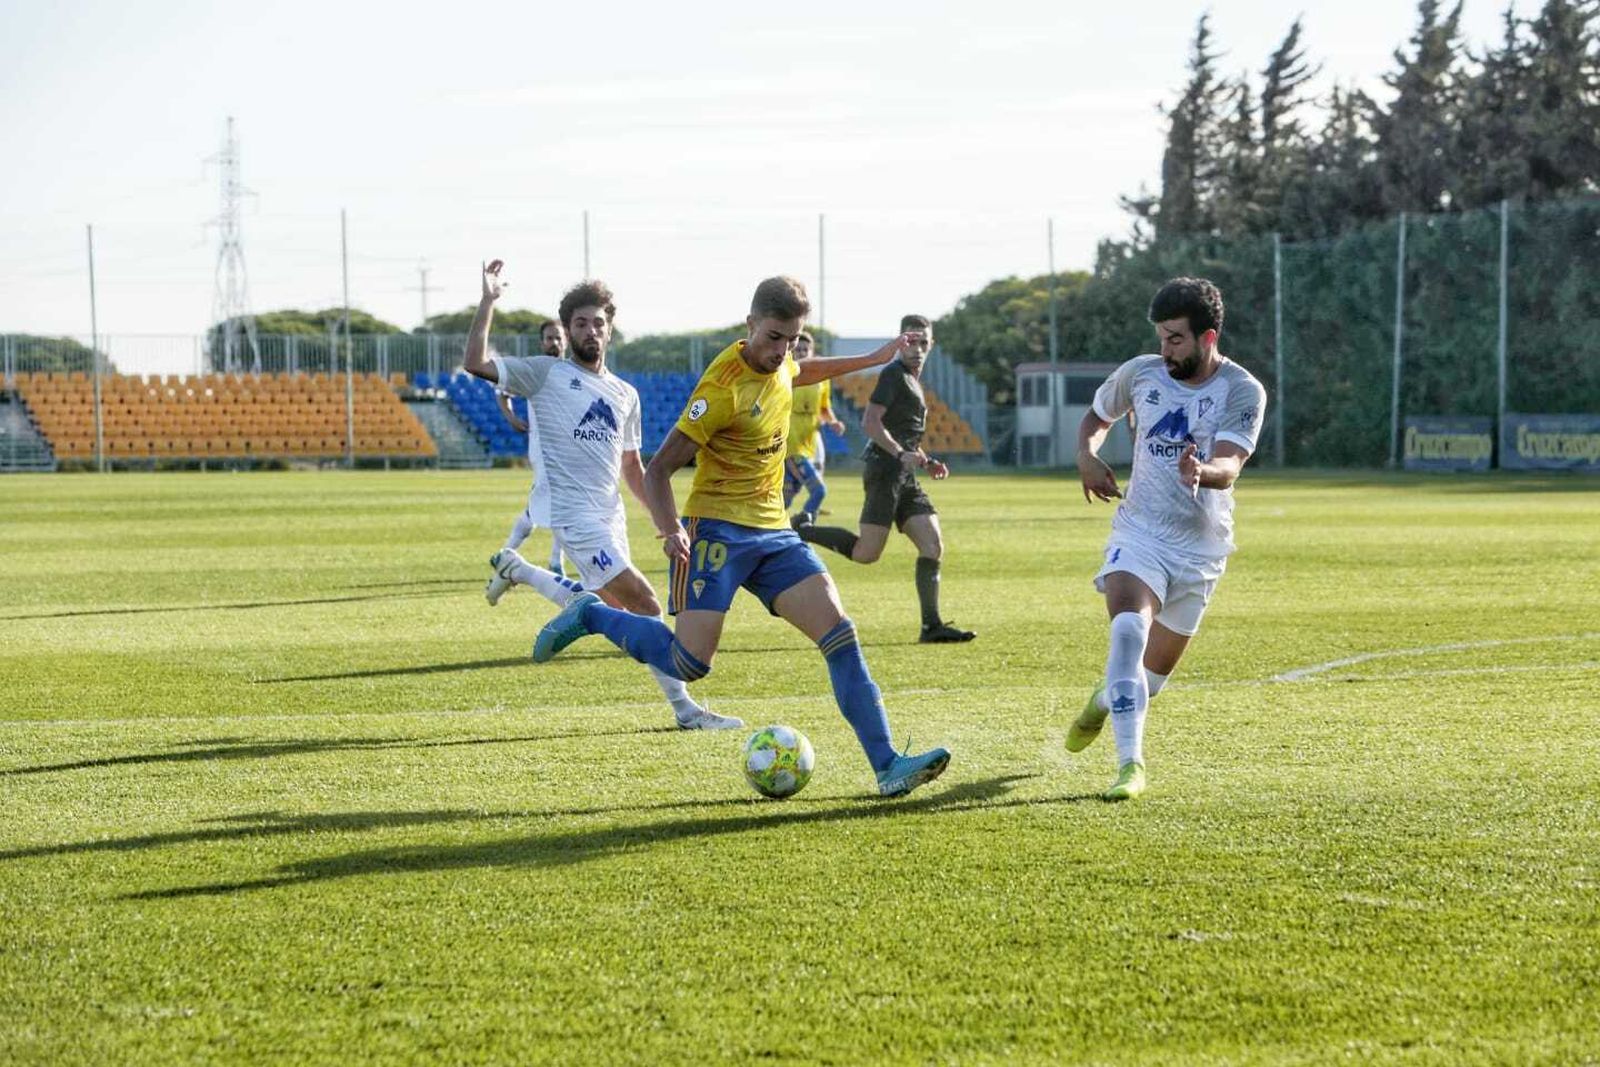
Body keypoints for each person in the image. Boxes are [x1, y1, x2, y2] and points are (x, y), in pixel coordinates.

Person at [532, 276, 952, 798]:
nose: (782, 351)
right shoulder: (721, 389)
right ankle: (592, 613)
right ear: (750, 324)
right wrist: (669, 531)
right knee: (690, 663)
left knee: (840, 634)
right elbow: (660, 469)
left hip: (774, 531)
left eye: (793, 338)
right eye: (773, 337)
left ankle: (888, 765)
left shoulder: (784, 359)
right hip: (715, 532)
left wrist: (873, 357)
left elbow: (800, 371)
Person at [464, 260, 741, 731]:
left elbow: (632, 468)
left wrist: (663, 525)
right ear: (567, 330)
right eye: (580, 323)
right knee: (647, 606)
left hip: (609, 516)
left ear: (610, 328)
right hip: (574, 516)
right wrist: (488, 301)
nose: (590, 330)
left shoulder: (624, 393)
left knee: (613, 611)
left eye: (598, 323)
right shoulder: (544, 374)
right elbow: (474, 363)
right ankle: (687, 711)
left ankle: (520, 569)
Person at [1068, 277, 1266, 800]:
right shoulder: (1142, 373)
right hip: (1141, 533)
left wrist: (1205, 471)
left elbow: (1231, 463)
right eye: (1161, 337)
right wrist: (1088, 456)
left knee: (1146, 683)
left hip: (1201, 548)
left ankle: (1104, 700)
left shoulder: (1242, 390)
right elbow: (1096, 417)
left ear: (1208, 338)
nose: (1165, 349)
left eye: (1175, 339)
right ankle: (1130, 767)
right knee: (1128, 632)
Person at [795, 315, 975, 644]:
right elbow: (870, 422)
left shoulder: (912, 380)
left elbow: (903, 435)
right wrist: (897, 453)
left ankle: (931, 626)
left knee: (932, 545)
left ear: (931, 345)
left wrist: (926, 460)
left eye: (924, 342)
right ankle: (801, 529)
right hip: (884, 471)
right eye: (912, 341)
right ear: (900, 342)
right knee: (867, 553)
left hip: (903, 473)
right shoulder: (894, 374)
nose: (918, 348)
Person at [486, 318, 569, 597]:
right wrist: (511, 417)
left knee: (555, 505)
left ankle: (514, 553)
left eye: (558, 338)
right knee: (555, 505)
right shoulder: (534, 369)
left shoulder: (574, 372)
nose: (554, 343)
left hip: (569, 451)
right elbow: (502, 391)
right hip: (545, 451)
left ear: (565, 340)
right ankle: (540, 560)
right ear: (541, 342)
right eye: (549, 338)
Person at [782, 330, 844, 525]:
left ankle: (764, 531)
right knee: (818, 490)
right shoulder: (785, 373)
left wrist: (833, 422)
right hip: (790, 443)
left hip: (809, 443)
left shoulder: (821, 378)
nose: (801, 352)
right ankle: (803, 527)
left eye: (805, 349)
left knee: (786, 497)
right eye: (797, 349)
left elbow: (824, 408)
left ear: (811, 351)